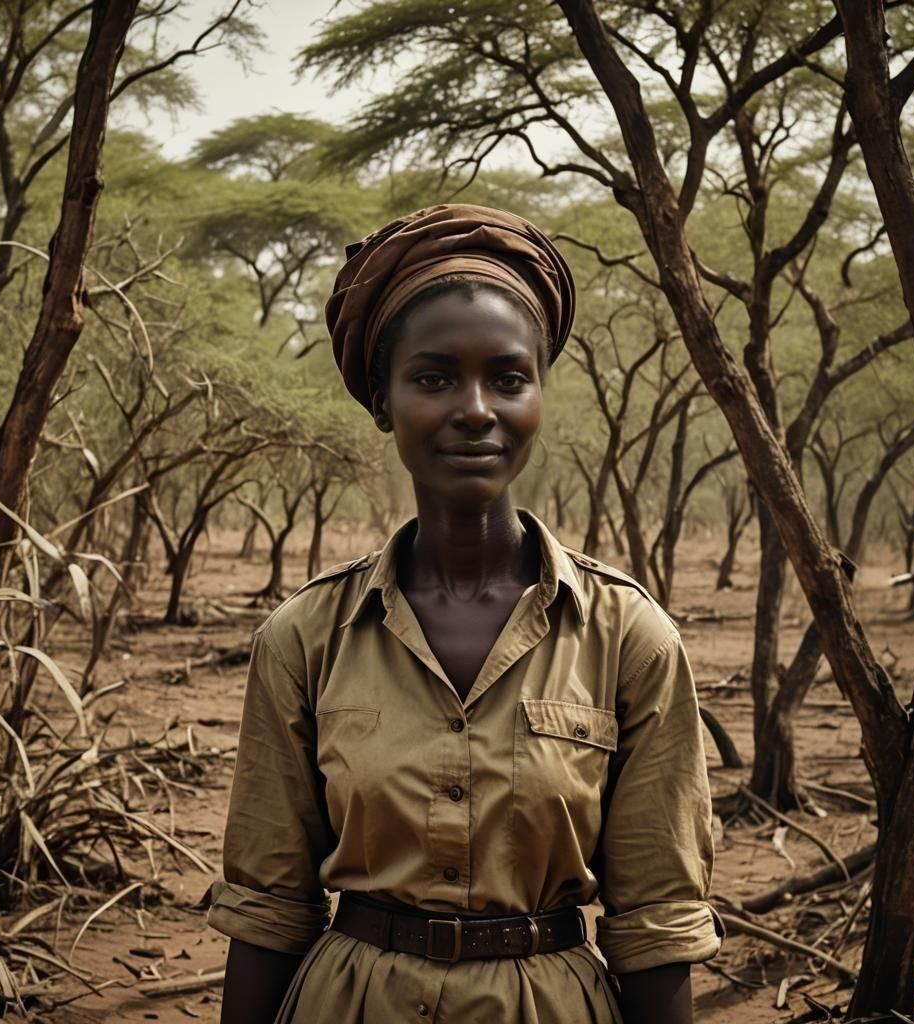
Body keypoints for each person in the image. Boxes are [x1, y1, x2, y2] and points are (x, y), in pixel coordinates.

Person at [208, 204, 724, 1024]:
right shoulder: (305, 636)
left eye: (508, 378)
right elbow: (267, 906)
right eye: (435, 377)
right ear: (383, 401)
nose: (476, 409)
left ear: (539, 397)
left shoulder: (630, 638)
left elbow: (658, 923)